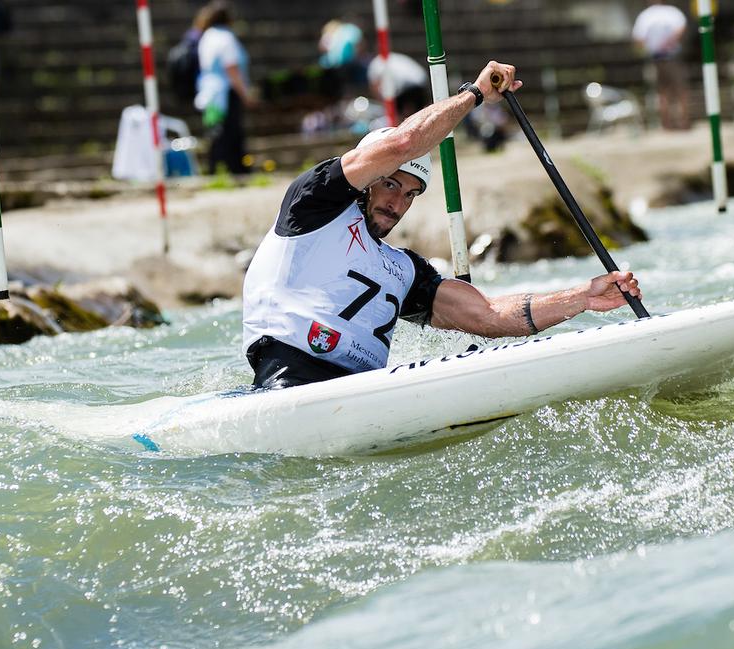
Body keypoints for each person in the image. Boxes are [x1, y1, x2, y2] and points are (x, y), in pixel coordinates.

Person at [242, 61, 643, 390]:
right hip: (289, 380)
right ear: (367, 177)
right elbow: (402, 145)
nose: (397, 202)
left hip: (363, 393)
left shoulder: (404, 270)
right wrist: (475, 95)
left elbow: (489, 316)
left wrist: (583, 297)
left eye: (411, 194)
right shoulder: (314, 204)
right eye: (390, 184)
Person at [194, 1, 256, 175]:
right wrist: (245, 94)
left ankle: (216, 168)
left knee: (217, 131)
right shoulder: (226, 38)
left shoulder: (207, 36)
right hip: (226, 92)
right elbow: (232, 69)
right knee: (230, 132)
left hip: (210, 92)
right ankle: (235, 169)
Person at [631, 0, 690, 130]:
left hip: (671, 57)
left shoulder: (666, 12)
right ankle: (667, 124)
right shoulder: (647, 15)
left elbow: (638, 38)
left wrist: (667, 42)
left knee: (678, 90)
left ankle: (682, 122)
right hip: (657, 59)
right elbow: (638, 38)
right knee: (663, 92)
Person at [367, 51, 429, 121]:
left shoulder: (376, 63)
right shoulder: (393, 57)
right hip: (421, 83)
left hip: (406, 87)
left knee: (402, 118)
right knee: (418, 116)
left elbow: (375, 85)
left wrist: (383, 102)